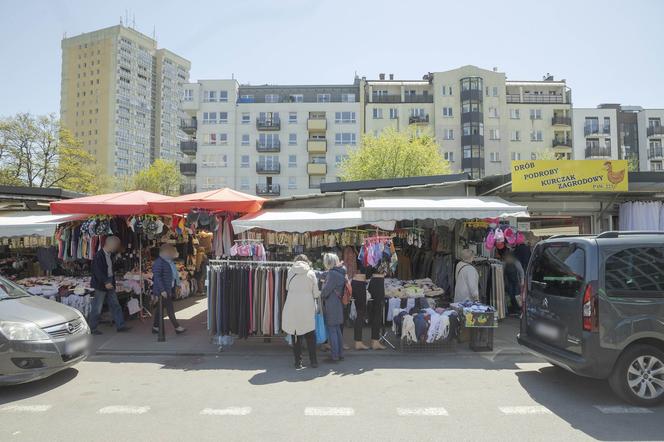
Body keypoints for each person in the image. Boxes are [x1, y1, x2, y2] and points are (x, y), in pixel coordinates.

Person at [282, 255, 320, 369]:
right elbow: (316, 292)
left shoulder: (290, 272)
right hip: (307, 305)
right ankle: (313, 361)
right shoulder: (311, 273)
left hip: (292, 305)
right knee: (310, 334)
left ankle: (298, 362)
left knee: (296, 334)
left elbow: (287, 287)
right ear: (307, 262)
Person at [88, 236, 130, 334]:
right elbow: (97, 271)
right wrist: (105, 282)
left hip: (109, 281)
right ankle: (92, 328)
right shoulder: (99, 256)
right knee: (97, 307)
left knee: (115, 305)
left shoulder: (110, 255)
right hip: (101, 283)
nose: (116, 247)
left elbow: (110, 269)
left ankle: (121, 325)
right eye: (115, 245)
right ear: (110, 244)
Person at [152, 244, 186, 335]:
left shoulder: (169, 261)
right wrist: (162, 290)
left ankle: (155, 327)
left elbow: (174, 274)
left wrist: (178, 284)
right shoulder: (159, 262)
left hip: (168, 288)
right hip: (163, 290)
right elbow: (157, 278)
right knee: (169, 308)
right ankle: (177, 327)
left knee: (160, 307)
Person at [320, 253, 347, 362]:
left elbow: (325, 292)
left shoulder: (332, 274)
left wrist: (322, 286)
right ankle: (340, 354)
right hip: (338, 304)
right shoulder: (340, 272)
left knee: (332, 330)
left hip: (331, 304)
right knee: (337, 330)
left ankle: (334, 356)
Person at [367, 265, 387, 350]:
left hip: (374, 280)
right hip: (378, 281)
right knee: (377, 314)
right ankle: (375, 342)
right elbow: (385, 269)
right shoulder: (383, 253)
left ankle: (374, 340)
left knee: (375, 312)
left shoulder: (372, 252)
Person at [502, 251, 525, 315]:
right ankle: (512, 309)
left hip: (516, 282)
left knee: (517, 296)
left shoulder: (516, 263)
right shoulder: (505, 263)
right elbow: (502, 273)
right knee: (510, 295)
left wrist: (522, 281)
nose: (507, 258)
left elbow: (521, 272)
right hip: (509, 282)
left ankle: (520, 309)